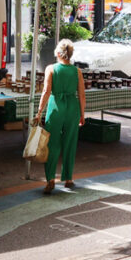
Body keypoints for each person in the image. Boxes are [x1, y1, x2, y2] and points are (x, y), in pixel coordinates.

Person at [34, 39, 86, 194]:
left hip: (56, 107)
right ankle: (68, 178)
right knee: (70, 142)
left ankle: (50, 179)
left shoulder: (51, 68)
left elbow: (46, 91)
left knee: (52, 144)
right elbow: (82, 95)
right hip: (72, 108)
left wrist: (39, 112)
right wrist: (82, 115)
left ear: (58, 53)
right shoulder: (77, 71)